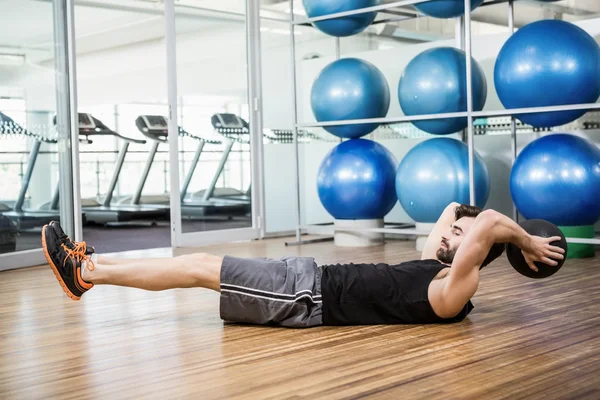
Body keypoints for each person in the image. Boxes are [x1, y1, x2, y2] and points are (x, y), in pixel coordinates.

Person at [41, 203, 565, 328]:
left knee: (199, 266)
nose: (450, 230)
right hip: (306, 278)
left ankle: (86, 273)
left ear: (482, 253)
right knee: (199, 263)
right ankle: (88, 267)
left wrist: (526, 245)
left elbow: (491, 222)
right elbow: (460, 209)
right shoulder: (432, 266)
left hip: (306, 298)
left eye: (462, 237)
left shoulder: (451, 294)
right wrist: (478, 227)